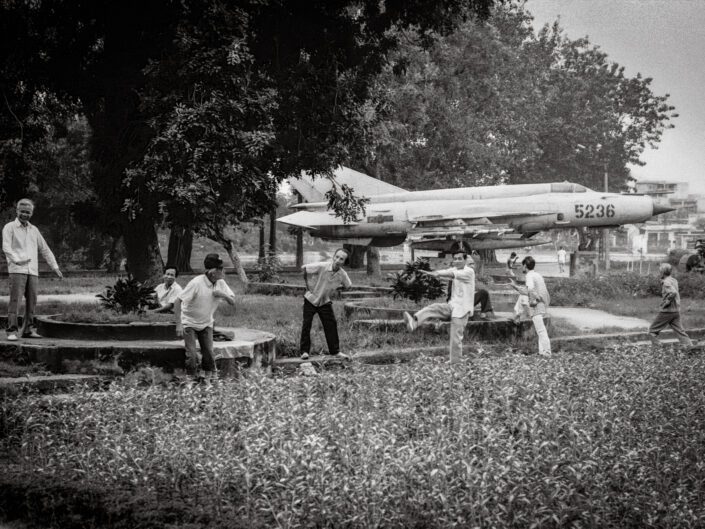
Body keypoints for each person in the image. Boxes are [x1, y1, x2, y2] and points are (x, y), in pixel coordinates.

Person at [2, 198, 63, 341]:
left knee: (32, 301)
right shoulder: (9, 227)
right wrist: (17, 260)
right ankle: (12, 330)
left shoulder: (34, 230)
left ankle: (28, 330)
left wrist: (55, 267)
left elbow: (45, 249)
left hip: (33, 271)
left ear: (32, 213)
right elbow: (6, 247)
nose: (25, 214)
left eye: (28, 212)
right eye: (22, 211)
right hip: (17, 269)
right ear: (17, 211)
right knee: (15, 301)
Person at [403, 250, 475, 364]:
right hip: (452, 306)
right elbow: (446, 271)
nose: (456, 261)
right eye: (455, 259)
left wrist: (437, 274)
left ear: (465, 260)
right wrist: (430, 273)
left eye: (459, 259)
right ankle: (414, 322)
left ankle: (455, 363)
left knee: (456, 338)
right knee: (434, 307)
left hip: (462, 310)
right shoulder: (455, 269)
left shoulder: (469, 271)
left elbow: (449, 274)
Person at [174, 253, 236, 382]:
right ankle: (190, 379)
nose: (223, 271)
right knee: (192, 355)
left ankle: (207, 379)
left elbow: (232, 302)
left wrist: (222, 294)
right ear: (213, 271)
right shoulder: (196, 283)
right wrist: (179, 324)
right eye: (221, 269)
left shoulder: (221, 283)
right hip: (189, 322)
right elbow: (177, 301)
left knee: (208, 353)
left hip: (207, 322)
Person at [299, 248, 352, 359]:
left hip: (325, 301)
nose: (338, 260)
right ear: (333, 257)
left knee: (331, 325)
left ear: (344, 262)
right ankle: (304, 351)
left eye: (341, 259)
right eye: (336, 257)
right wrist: (309, 286)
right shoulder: (323, 266)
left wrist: (335, 288)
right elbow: (304, 269)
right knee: (306, 324)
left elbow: (348, 285)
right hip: (311, 299)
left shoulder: (342, 274)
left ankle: (335, 351)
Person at [510, 256, 551, 356]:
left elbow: (531, 289)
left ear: (525, 265)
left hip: (537, 305)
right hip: (542, 304)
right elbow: (528, 291)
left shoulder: (529, 276)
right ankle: (543, 352)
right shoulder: (537, 275)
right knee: (540, 330)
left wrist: (534, 301)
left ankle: (547, 352)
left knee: (541, 331)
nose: (521, 268)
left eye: (522, 266)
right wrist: (515, 286)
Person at [648, 263, 693, 348]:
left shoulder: (666, 282)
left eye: (659, 271)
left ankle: (658, 349)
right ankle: (690, 348)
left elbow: (673, 292)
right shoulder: (674, 280)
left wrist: (666, 303)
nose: (659, 273)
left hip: (667, 311)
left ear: (662, 272)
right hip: (676, 311)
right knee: (680, 331)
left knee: (652, 331)